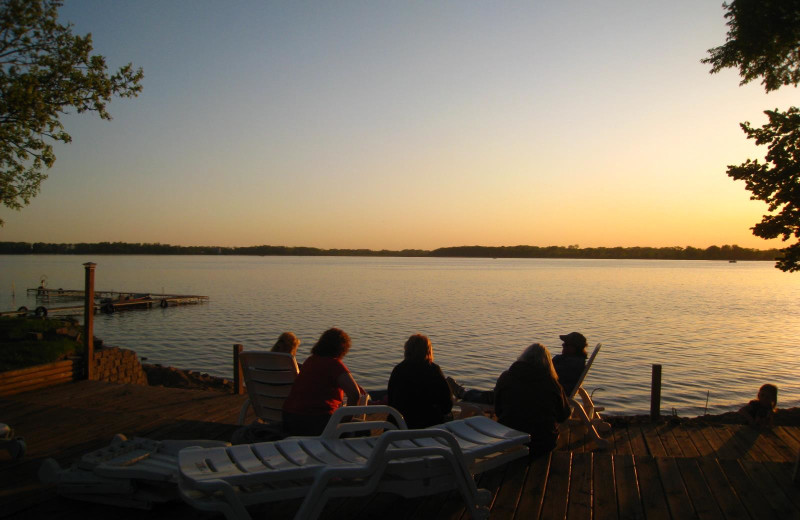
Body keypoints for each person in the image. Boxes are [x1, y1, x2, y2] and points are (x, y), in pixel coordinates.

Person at [282, 328, 366, 436]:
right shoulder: (334, 365)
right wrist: (345, 420)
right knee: (362, 428)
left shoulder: (310, 361)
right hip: (316, 423)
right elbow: (354, 394)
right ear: (342, 348)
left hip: (290, 420)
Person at [494, 343, 571, 457]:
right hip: (542, 443)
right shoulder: (552, 383)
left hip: (508, 438)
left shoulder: (506, 377)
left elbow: (498, 410)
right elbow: (563, 415)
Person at [388, 334, 453, 429]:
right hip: (429, 427)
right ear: (428, 351)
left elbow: (391, 401)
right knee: (449, 416)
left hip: (399, 427)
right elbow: (447, 405)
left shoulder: (398, 370)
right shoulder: (434, 370)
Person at [551, 332, 588, 396]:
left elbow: (551, 373)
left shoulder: (573, 364)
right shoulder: (567, 359)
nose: (563, 345)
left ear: (575, 348)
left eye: (566, 344)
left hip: (555, 393)